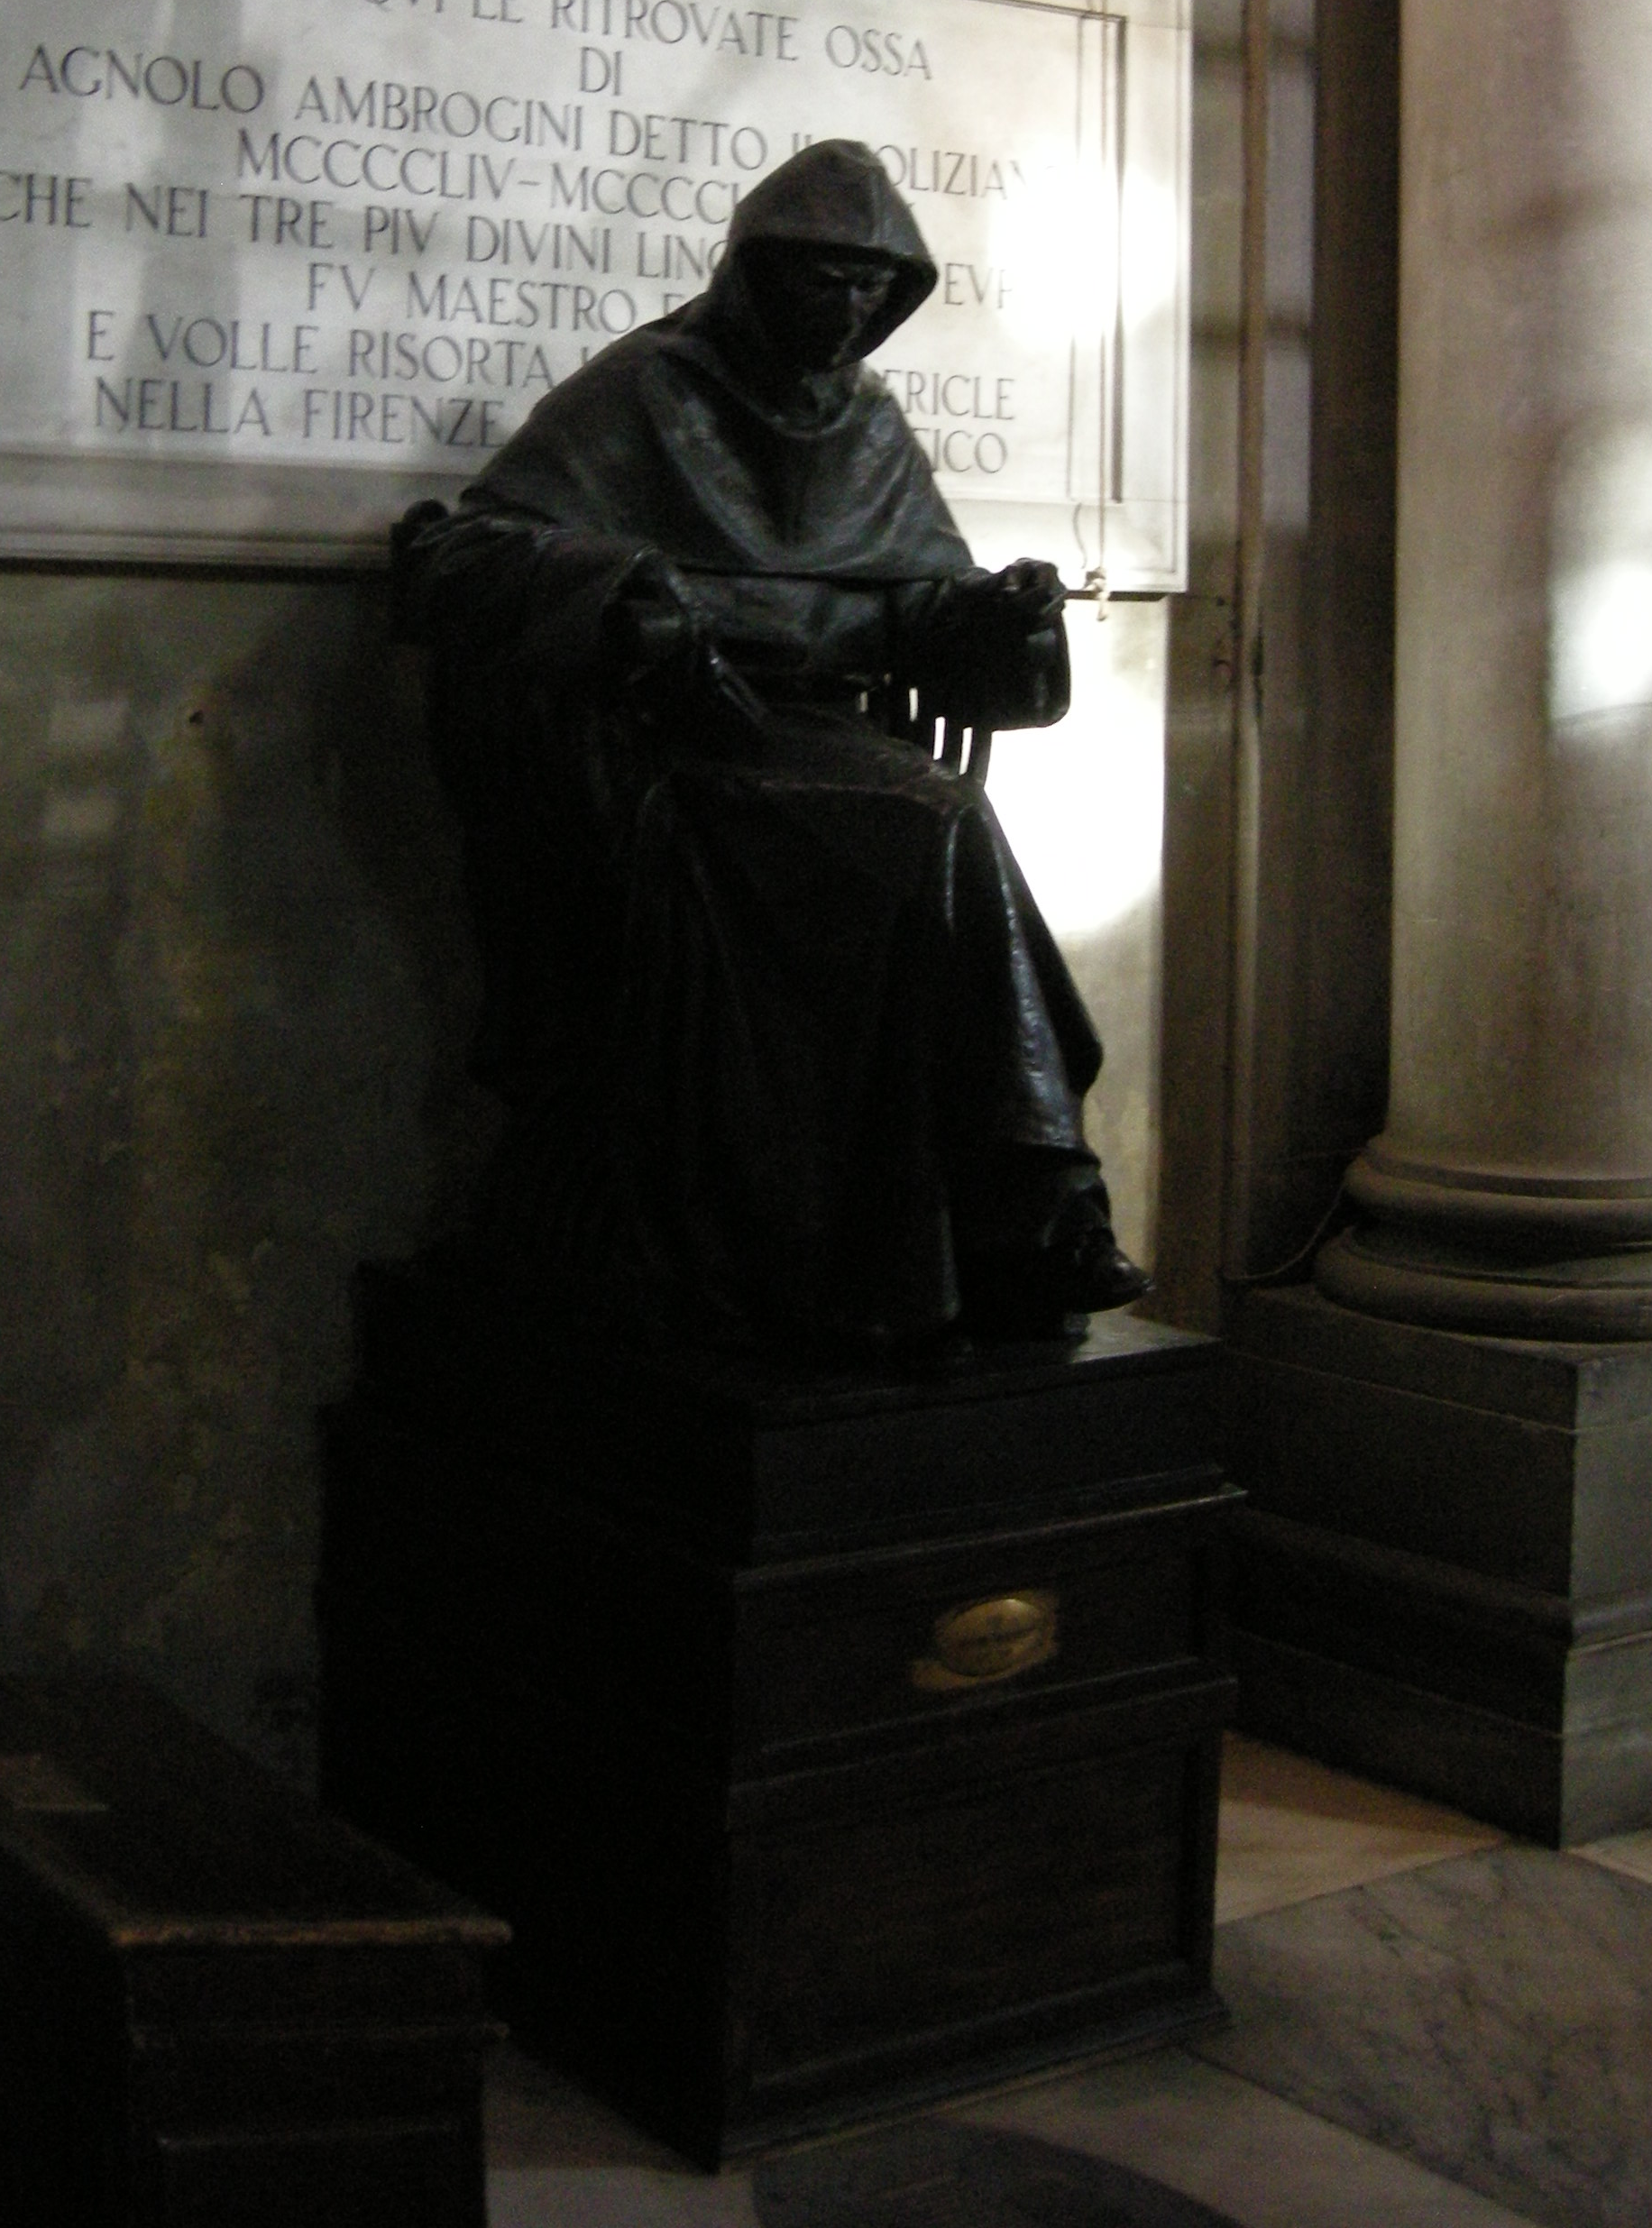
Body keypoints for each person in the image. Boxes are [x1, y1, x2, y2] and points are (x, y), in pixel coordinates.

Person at [393, 138, 1149, 1365]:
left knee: (937, 816)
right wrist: (621, 586)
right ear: (753, 275)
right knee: (934, 821)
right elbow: (460, 559)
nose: (846, 311)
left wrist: (996, 612)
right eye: (821, 282)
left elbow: (914, 603)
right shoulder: (647, 392)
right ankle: (1034, 1200)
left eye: (871, 288)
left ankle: (1022, 1208)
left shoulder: (867, 425)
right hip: (678, 747)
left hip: (830, 743)